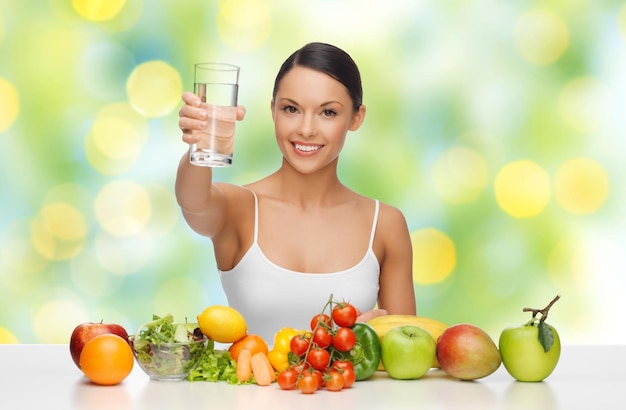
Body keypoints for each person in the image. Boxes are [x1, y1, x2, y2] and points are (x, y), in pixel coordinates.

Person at [176, 42, 416, 342]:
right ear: (273, 110)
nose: (306, 129)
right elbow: (193, 201)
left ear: (356, 118)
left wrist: (360, 342)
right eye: (291, 109)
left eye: (328, 112)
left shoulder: (386, 224)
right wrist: (199, 144)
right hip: (249, 389)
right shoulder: (240, 208)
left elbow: (406, 350)